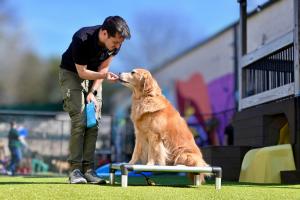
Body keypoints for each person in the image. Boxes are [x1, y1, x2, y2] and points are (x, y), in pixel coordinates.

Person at [59, 16, 131, 184]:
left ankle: (89, 170)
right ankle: (75, 170)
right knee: (80, 117)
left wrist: (92, 91)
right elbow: (82, 73)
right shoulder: (82, 38)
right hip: (72, 73)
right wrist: (104, 76)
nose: (117, 46)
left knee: (93, 121)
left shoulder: (115, 44)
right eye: (115, 42)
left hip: (96, 77)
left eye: (120, 43)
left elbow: (104, 67)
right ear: (104, 33)